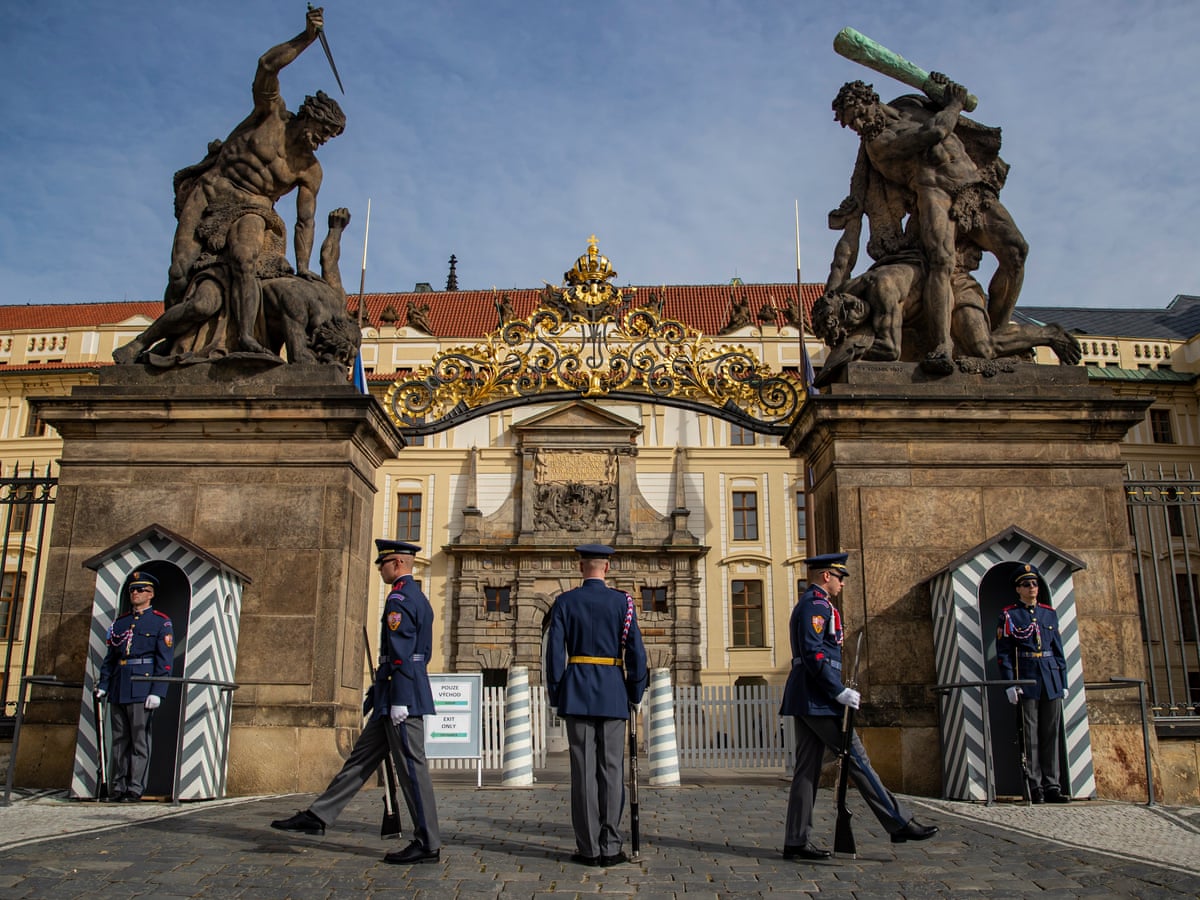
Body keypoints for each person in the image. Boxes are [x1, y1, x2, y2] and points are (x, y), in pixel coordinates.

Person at [145, 6, 345, 360]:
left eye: (329, 137)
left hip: (255, 210)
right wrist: (306, 38)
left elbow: (305, 221)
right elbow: (267, 66)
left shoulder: (310, 170)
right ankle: (170, 341)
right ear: (309, 116)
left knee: (245, 262)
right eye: (322, 131)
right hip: (212, 192)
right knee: (179, 272)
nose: (322, 140)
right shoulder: (270, 115)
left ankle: (247, 339)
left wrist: (303, 268)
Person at [831, 78, 1028, 373]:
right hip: (935, 195)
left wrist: (940, 90)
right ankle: (942, 344)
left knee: (1016, 253)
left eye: (859, 114)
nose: (858, 125)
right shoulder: (878, 144)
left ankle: (997, 331)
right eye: (851, 123)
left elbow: (943, 118)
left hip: (973, 189)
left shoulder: (912, 106)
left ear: (871, 100)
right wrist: (955, 104)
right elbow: (935, 131)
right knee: (941, 262)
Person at [272, 540, 442, 864]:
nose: (380, 569)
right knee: (361, 760)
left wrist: (400, 698)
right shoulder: (417, 597)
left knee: (412, 768)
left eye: (383, 564)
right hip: (392, 694)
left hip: (401, 696)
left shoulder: (400, 599)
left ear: (398, 563)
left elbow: (404, 655)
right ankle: (319, 815)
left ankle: (428, 842)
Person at [780, 553, 937, 860]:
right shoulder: (815, 606)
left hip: (810, 696)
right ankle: (899, 821)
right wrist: (837, 691)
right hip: (818, 698)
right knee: (857, 758)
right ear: (826, 576)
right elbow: (814, 654)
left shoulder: (818, 604)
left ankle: (796, 841)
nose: (842, 584)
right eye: (839, 577)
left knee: (807, 771)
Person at [545, 544, 648, 867]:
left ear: (580, 568)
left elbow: (554, 655)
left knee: (583, 773)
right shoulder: (623, 602)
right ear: (607, 568)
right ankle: (611, 845)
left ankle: (588, 848)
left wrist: (557, 694)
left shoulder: (565, 602)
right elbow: (636, 652)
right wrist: (635, 691)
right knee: (612, 771)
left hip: (576, 691)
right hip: (613, 692)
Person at [95, 570, 174, 802]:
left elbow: (164, 660)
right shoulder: (120, 623)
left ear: (151, 594)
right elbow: (111, 658)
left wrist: (158, 691)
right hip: (119, 685)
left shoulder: (160, 622)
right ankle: (118, 787)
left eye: (140, 590)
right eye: (132, 590)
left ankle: (135, 787)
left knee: (139, 740)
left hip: (142, 686)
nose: (135, 593)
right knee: (119, 740)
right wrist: (104, 684)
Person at [997, 564, 1070, 803]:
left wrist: (1063, 680)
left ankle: (1052, 785)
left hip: (1050, 677)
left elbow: (1058, 650)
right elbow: (1004, 653)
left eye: (1035, 584)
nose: (1032, 588)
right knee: (1030, 735)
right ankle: (1034, 785)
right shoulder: (1010, 615)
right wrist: (1010, 683)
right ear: (1018, 589)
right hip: (1027, 677)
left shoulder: (1049, 614)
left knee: (1051, 733)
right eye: (1026, 584)